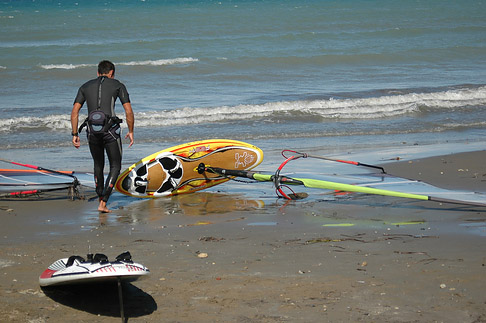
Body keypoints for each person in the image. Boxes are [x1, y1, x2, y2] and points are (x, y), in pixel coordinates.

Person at [71, 60, 134, 213]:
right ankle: (104, 202)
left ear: (98, 73)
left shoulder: (85, 86)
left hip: (92, 131)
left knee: (98, 164)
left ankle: (100, 197)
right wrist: (131, 131)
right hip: (111, 131)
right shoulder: (118, 85)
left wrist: (74, 134)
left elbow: (74, 112)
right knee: (115, 166)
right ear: (111, 73)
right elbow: (129, 112)